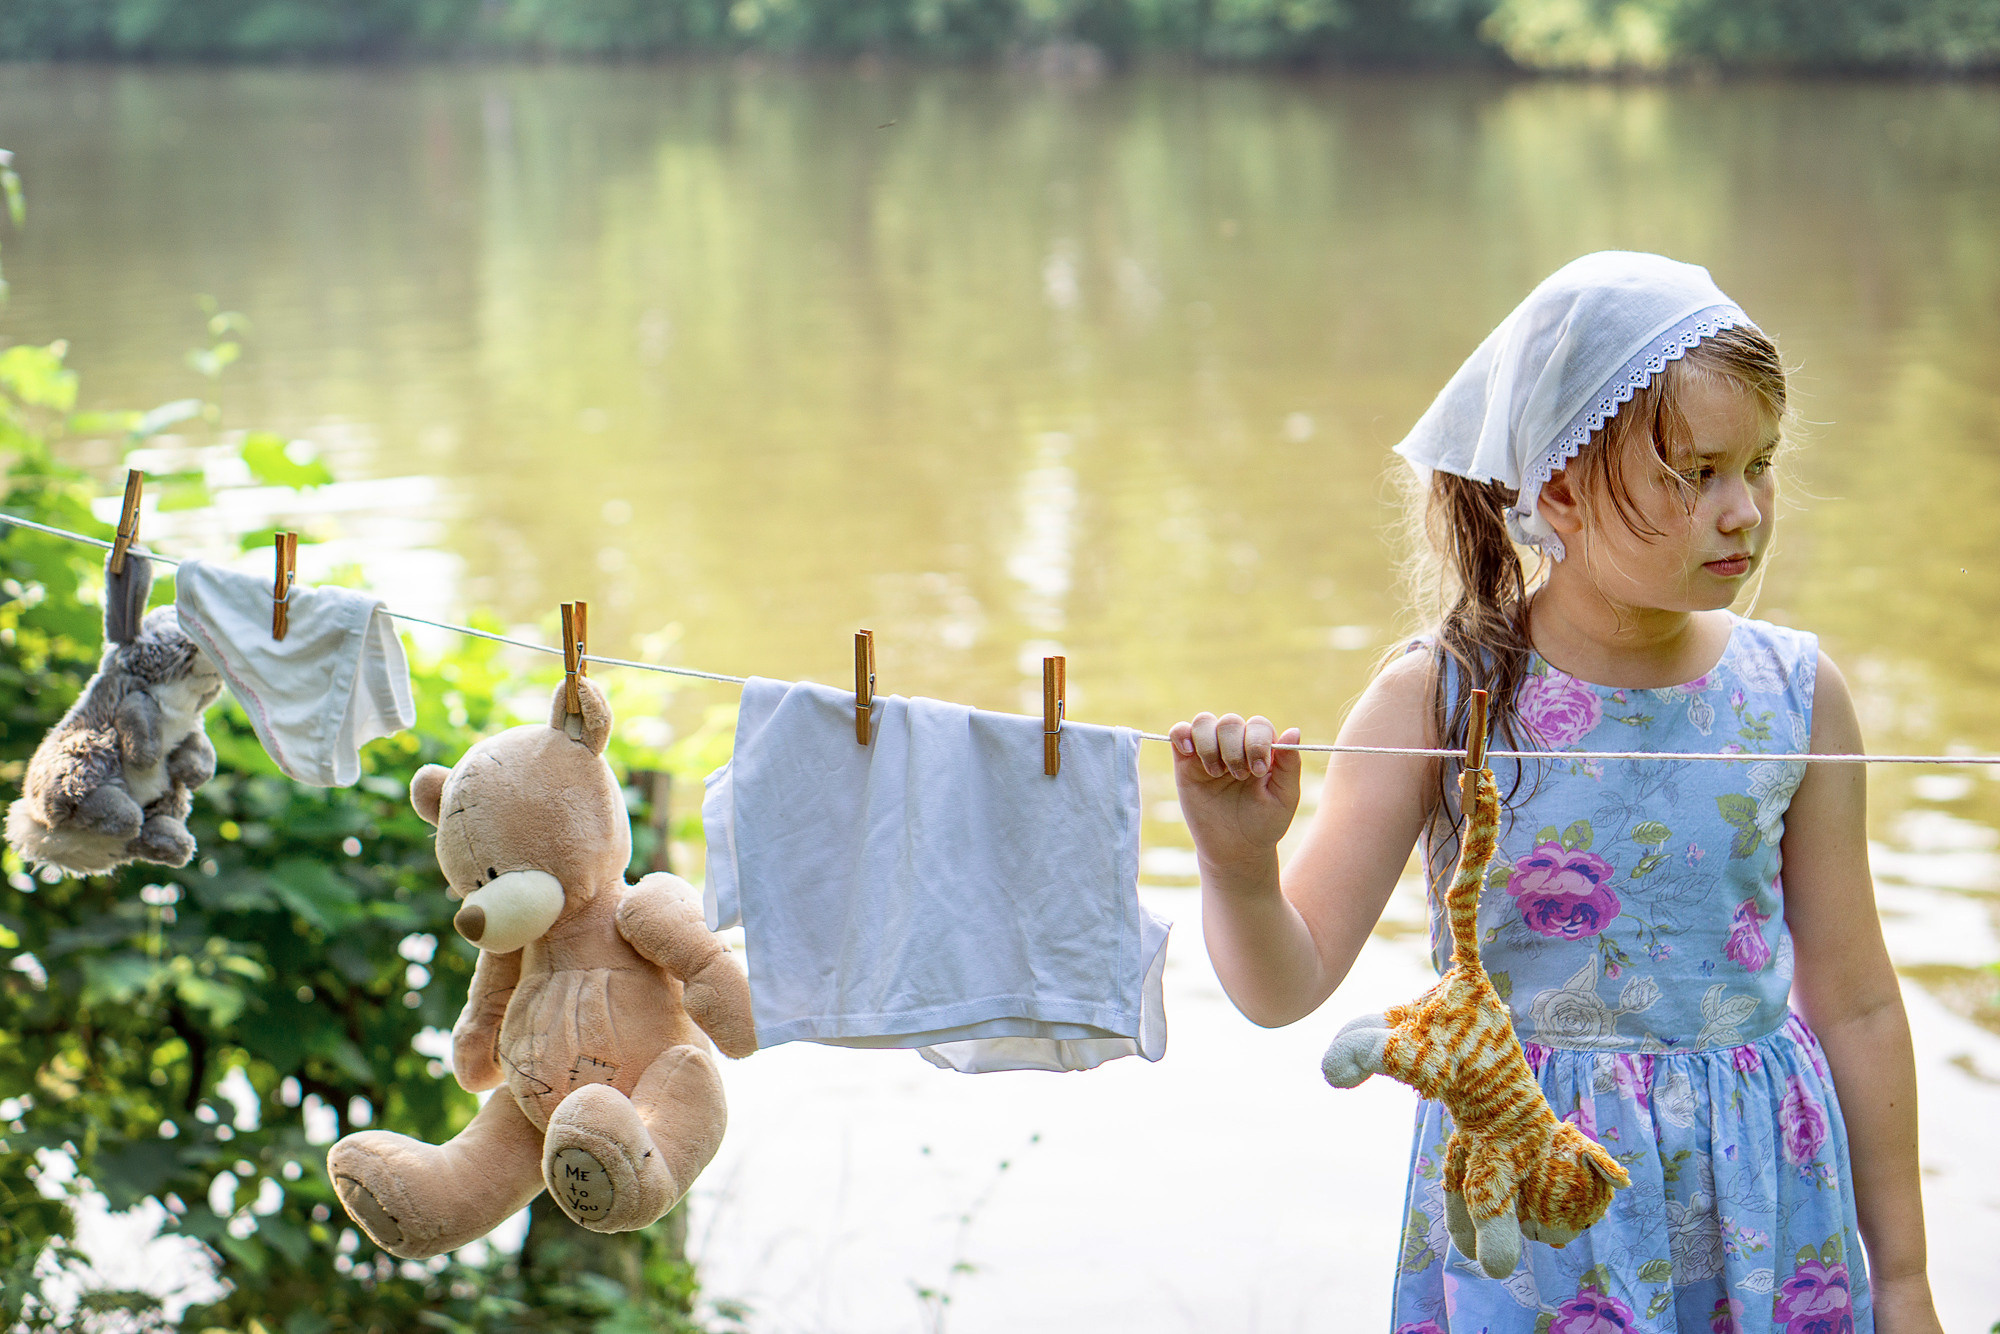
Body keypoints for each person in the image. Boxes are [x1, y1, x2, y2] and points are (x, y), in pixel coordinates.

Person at [1169, 252, 1942, 1334]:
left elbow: (1856, 1002)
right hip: (1534, 1220)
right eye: (1697, 472)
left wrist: (1902, 1279)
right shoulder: (1443, 700)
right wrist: (1238, 862)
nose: (1743, 511)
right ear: (1562, 491)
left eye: (1758, 464)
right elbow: (1280, 985)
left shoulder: (1794, 695)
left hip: (1765, 1209)